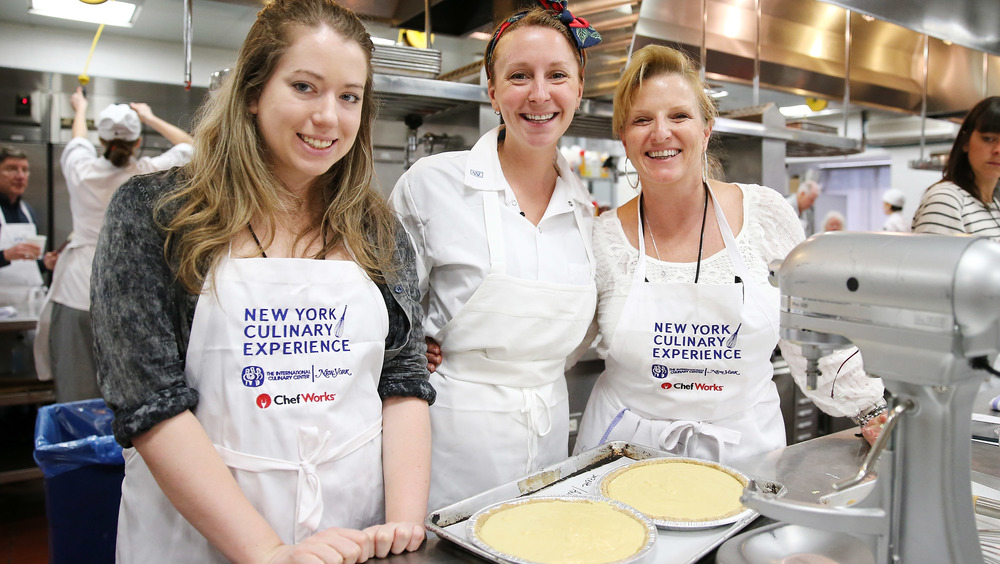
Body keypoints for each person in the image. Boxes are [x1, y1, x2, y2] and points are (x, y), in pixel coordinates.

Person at [91, 1, 434, 562]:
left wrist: (402, 525)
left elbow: (403, 376)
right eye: (304, 86)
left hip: (354, 532)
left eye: (349, 96)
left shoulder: (374, 226)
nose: (329, 116)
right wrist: (268, 552)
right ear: (253, 92)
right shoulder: (157, 212)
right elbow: (150, 402)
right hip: (202, 538)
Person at [573, 45, 887, 465]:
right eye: (642, 119)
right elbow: (558, 337)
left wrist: (870, 409)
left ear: (705, 130)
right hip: (621, 455)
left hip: (744, 452)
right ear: (625, 139)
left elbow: (813, 330)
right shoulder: (601, 237)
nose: (660, 132)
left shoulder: (766, 215)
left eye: (679, 116)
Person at [389, 0, 601, 510]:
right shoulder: (432, 185)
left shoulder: (585, 214)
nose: (539, 94)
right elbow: (385, 313)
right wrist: (413, 344)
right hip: (448, 439)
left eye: (557, 75)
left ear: (577, 89)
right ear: (493, 90)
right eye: (519, 76)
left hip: (548, 438)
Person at [41, 90, 194, 403]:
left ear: (102, 141)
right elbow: (192, 147)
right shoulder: (147, 172)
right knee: (130, 394)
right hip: (128, 294)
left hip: (76, 294)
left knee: (77, 395)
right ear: (138, 142)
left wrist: (80, 108)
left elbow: (77, 139)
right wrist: (149, 116)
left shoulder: (81, 171)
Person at [912, 96, 1000, 238]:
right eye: (988, 138)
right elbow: (930, 259)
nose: (998, 150)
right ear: (965, 142)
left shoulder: (994, 205)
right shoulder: (946, 200)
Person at [0, 146, 58, 306]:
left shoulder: (28, 212)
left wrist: (44, 264)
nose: (20, 176)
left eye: (25, 170)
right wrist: (5, 255)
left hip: (27, 304)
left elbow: (26, 267)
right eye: (11, 169)